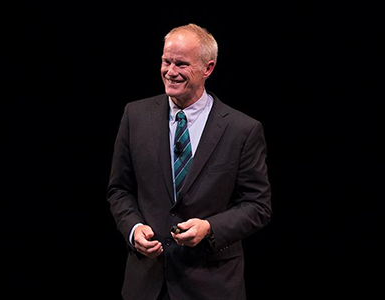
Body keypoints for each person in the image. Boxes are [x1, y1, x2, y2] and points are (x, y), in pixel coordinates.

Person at [107, 23, 272, 300]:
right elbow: (119, 190)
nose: (170, 72)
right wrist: (133, 228)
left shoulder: (242, 130)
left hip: (212, 284)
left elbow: (258, 206)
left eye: (181, 64)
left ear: (208, 69)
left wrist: (210, 228)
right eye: (166, 61)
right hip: (146, 285)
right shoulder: (135, 116)